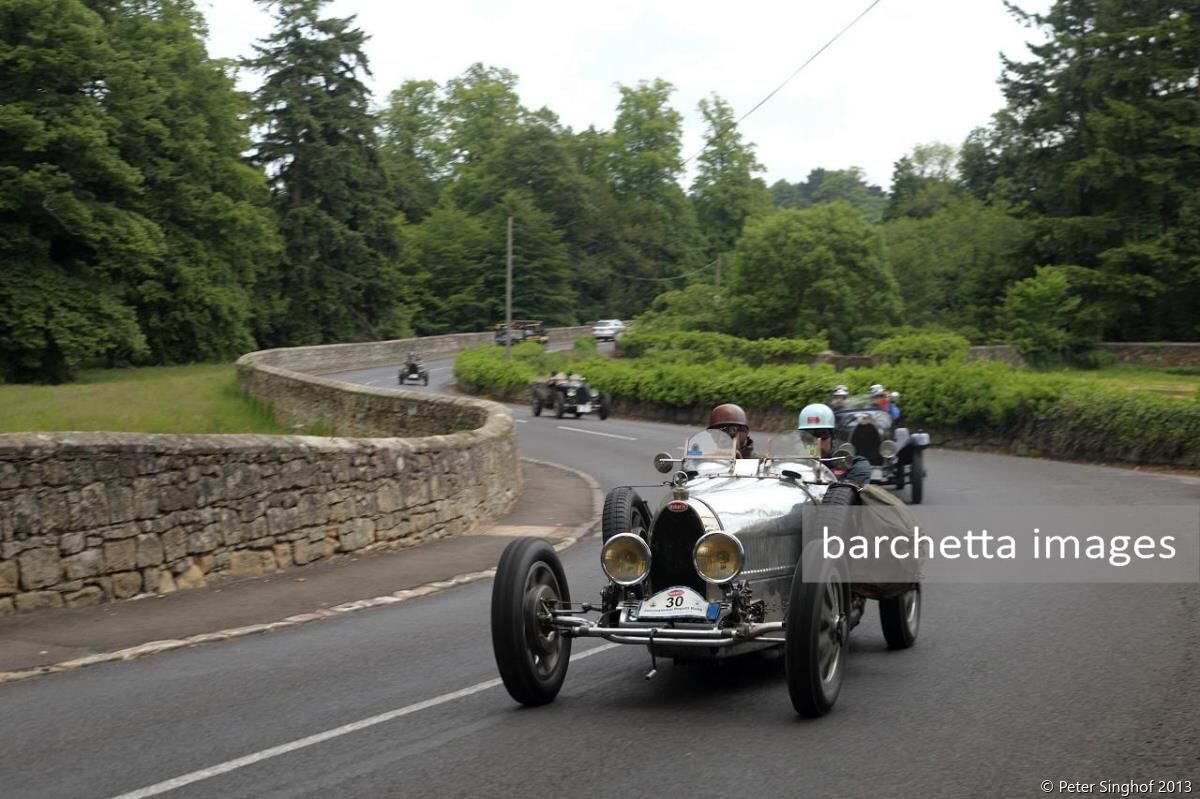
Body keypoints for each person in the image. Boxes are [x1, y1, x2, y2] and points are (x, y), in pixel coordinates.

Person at [796, 403, 872, 486]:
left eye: (822, 434)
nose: (816, 442)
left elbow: (848, 494)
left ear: (833, 436)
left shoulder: (855, 465)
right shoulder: (797, 465)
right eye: (808, 437)